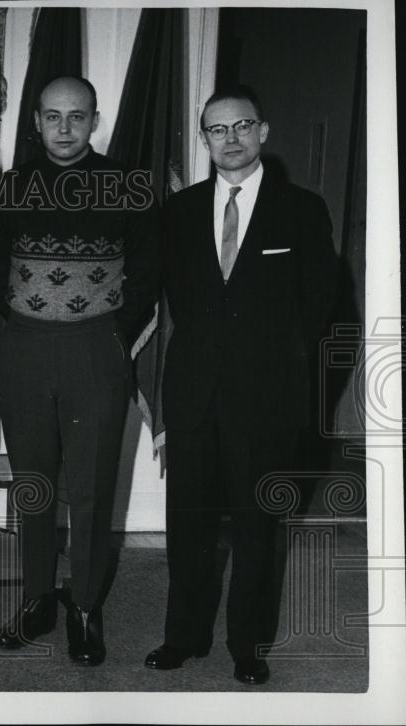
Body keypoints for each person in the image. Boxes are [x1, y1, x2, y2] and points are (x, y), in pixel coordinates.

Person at [145, 86, 337, 685]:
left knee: (257, 527)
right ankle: (184, 635)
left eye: (241, 126)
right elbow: (174, 297)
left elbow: (320, 304)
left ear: (263, 132)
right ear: (203, 138)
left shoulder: (301, 209)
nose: (229, 139)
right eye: (216, 129)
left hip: (265, 398)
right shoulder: (179, 210)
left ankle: (247, 644)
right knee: (190, 525)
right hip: (195, 394)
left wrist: (277, 366)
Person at [0, 76, 158, 665]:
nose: (65, 128)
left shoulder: (128, 186)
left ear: (95, 120)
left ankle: (85, 606)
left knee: (89, 488)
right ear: (36, 120)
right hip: (26, 349)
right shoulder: (10, 186)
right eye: (53, 117)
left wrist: (116, 338)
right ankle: (37, 598)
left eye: (77, 117)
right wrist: (2, 346)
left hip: (95, 351)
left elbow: (149, 271)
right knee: (34, 486)